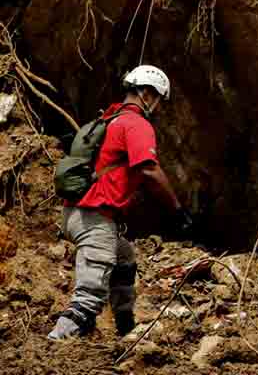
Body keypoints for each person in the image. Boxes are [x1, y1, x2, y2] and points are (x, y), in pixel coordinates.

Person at [48, 65, 192, 340]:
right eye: (159, 100)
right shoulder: (137, 124)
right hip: (94, 217)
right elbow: (148, 170)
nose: (159, 107)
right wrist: (176, 209)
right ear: (147, 95)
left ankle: (125, 326)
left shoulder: (111, 119)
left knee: (123, 256)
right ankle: (56, 344)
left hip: (77, 214)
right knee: (89, 297)